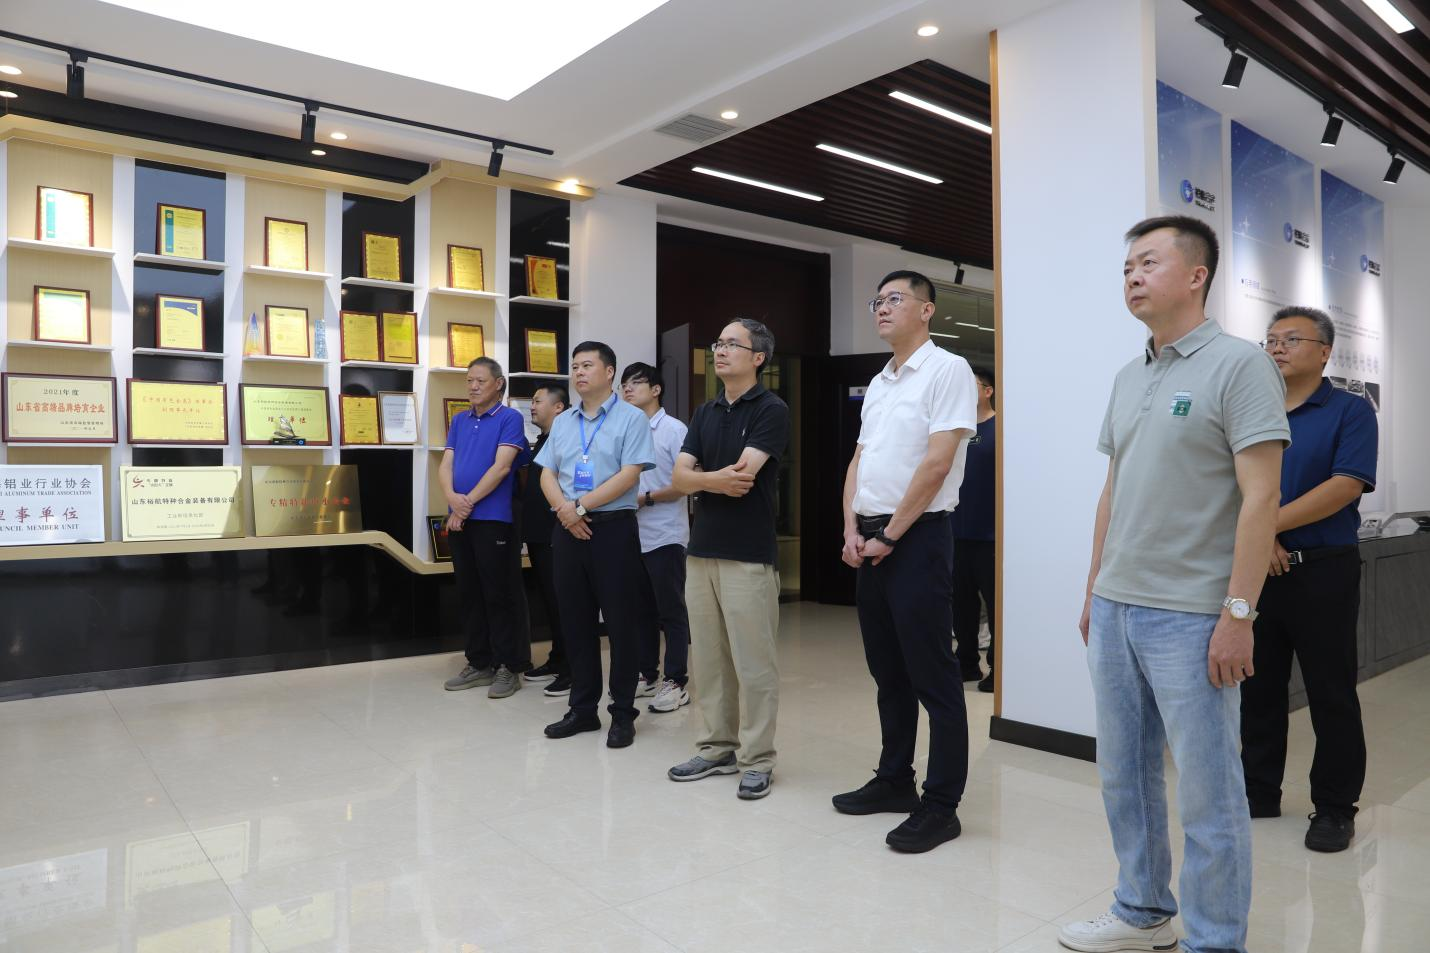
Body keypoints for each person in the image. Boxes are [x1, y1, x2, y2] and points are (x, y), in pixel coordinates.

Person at [1060, 216, 1287, 953]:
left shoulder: (1240, 365)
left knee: (1208, 789)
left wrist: (1239, 613)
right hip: (1117, 607)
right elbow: (1113, 489)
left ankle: (1214, 939)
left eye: (1148, 262)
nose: (1132, 275)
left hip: (1192, 614)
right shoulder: (1130, 375)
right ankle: (1141, 909)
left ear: (1196, 275)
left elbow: (1261, 497)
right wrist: (1094, 589)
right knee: (1123, 775)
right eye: (1127, 265)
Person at [831, 270, 979, 854]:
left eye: (895, 299)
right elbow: (859, 460)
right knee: (887, 671)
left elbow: (938, 463)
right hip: (870, 538)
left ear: (926, 309)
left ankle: (941, 805)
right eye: (878, 300)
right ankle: (895, 779)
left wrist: (891, 534)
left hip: (916, 539)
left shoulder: (948, 370)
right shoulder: (880, 380)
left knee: (933, 675)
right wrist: (851, 527)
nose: (882, 308)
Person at [1240, 306, 1376, 853]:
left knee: (1330, 691)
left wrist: (1267, 525)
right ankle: (1257, 791)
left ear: (1324, 352)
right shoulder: (1252, 409)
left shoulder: (1350, 410)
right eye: (1271, 340)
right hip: (1257, 568)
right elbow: (1232, 484)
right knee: (1257, 686)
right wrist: (1262, 539)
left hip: (1323, 571)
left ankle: (1336, 808)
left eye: (1291, 339)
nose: (1277, 348)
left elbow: (1346, 485)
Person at [666, 319, 789, 800]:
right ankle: (717, 747)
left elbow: (744, 476)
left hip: (748, 554)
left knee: (754, 663)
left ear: (758, 357)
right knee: (710, 659)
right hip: (701, 551)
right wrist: (707, 481)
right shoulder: (705, 411)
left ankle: (757, 759)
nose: (719, 350)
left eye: (731, 344)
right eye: (717, 343)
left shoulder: (771, 409)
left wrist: (701, 479)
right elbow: (679, 478)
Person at [535, 341, 655, 748]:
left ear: (609, 372)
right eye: (574, 366)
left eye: (587, 365)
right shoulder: (564, 421)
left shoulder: (631, 418)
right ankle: (583, 709)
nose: (579, 372)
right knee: (575, 621)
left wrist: (580, 507)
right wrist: (565, 512)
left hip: (613, 530)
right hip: (568, 529)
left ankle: (622, 712)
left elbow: (630, 475)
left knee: (621, 623)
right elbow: (547, 473)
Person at [439, 357, 533, 698]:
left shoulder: (510, 418)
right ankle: (479, 663)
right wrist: (453, 499)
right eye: (469, 381)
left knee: (499, 593)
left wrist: (465, 504)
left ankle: (509, 666)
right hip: (460, 518)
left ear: (498, 384)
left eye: (480, 380)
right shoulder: (459, 420)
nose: (473, 386)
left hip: (494, 519)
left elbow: (501, 468)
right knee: (469, 593)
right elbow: (445, 465)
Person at [620, 362, 693, 713]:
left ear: (656, 389)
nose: (627, 389)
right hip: (631, 534)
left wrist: (645, 498)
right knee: (640, 610)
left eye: (635, 383)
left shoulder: (674, 430)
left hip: (665, 534)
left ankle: (676, 681)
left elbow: (687, 483)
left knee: (671, 611)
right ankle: (647, 674)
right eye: (624, 385)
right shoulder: (625, 430)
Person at [520, 383, 573, 696]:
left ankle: (571, 668)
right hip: (539, 534)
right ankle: (557, 658)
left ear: (558, 407)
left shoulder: (566, 439)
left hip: (558, 532)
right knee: (550, 603)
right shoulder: (542, 440)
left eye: (538, 401)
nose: (532, 406)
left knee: (563, 603)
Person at [951, 364, 997, 694]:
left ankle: (998, 667)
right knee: (961, 603)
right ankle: (965, 662)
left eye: (973, 385)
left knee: (994, 604)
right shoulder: (957, 430)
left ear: (988, 391)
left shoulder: (1001, 428)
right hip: (956, 531)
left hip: (990, 535)